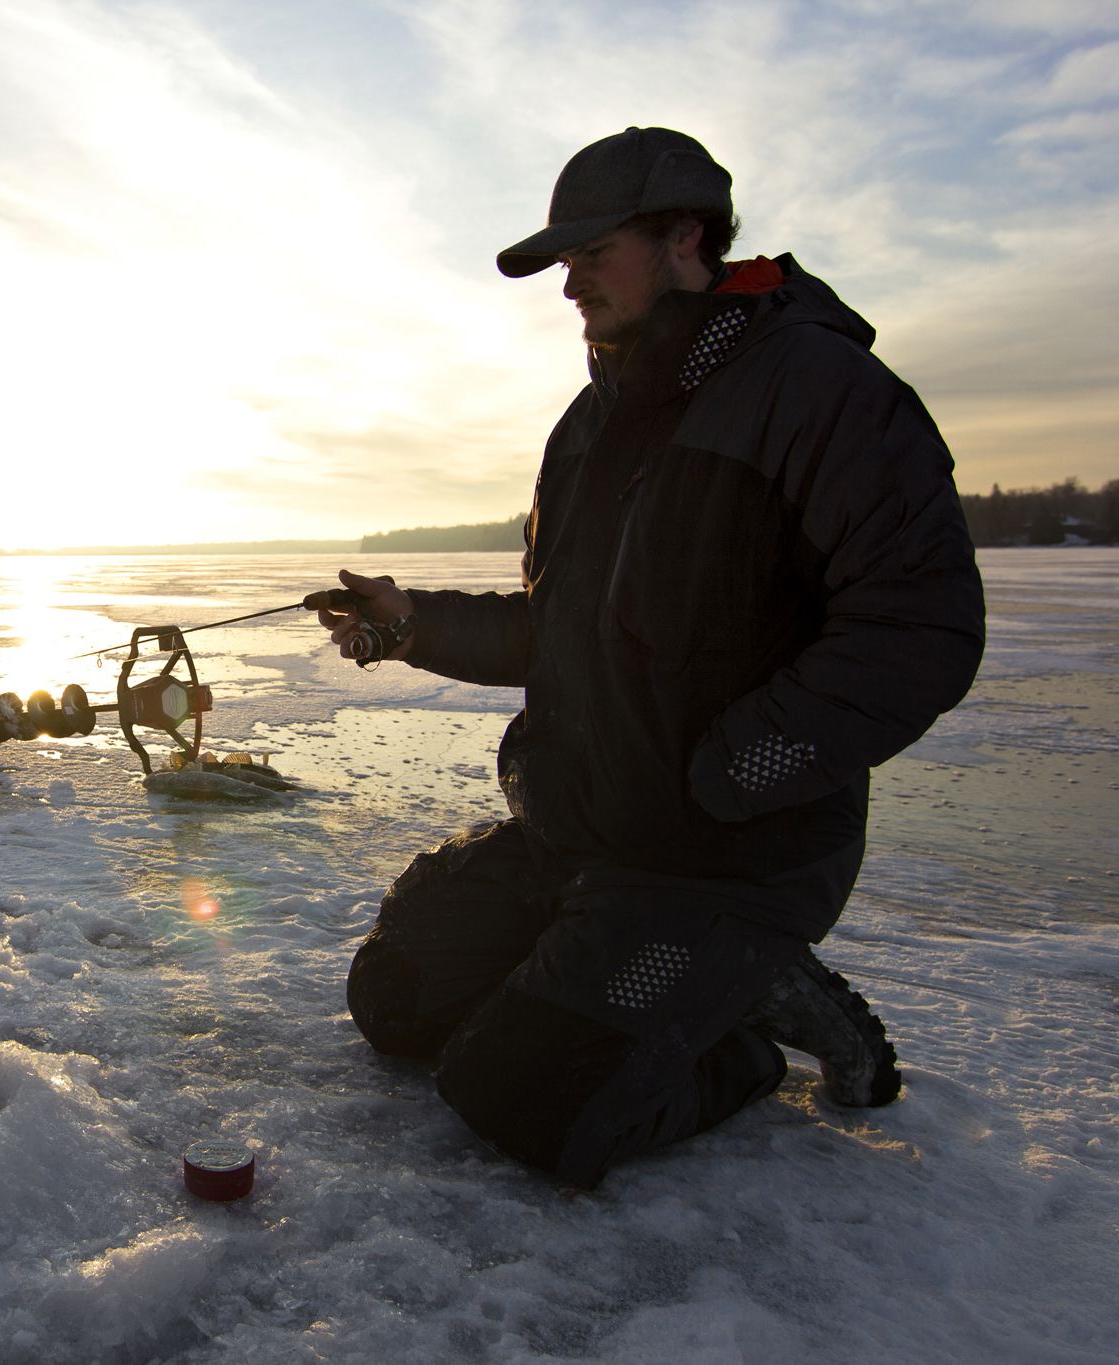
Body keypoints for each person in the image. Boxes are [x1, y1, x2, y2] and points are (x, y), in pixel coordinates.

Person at [320, 127, 985, 1189]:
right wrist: (414, 624)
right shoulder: (589, 426)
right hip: (580, 831)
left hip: (719, 855)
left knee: (526, 1095)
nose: (569, 283)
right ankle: (644, 984)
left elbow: (921, 628)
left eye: (590, 251)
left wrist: (732, 772)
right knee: (396, 1002)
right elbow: (560, 633)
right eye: (561, 261)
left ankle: (743, 1022)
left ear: (685, 237)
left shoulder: (820, 392)